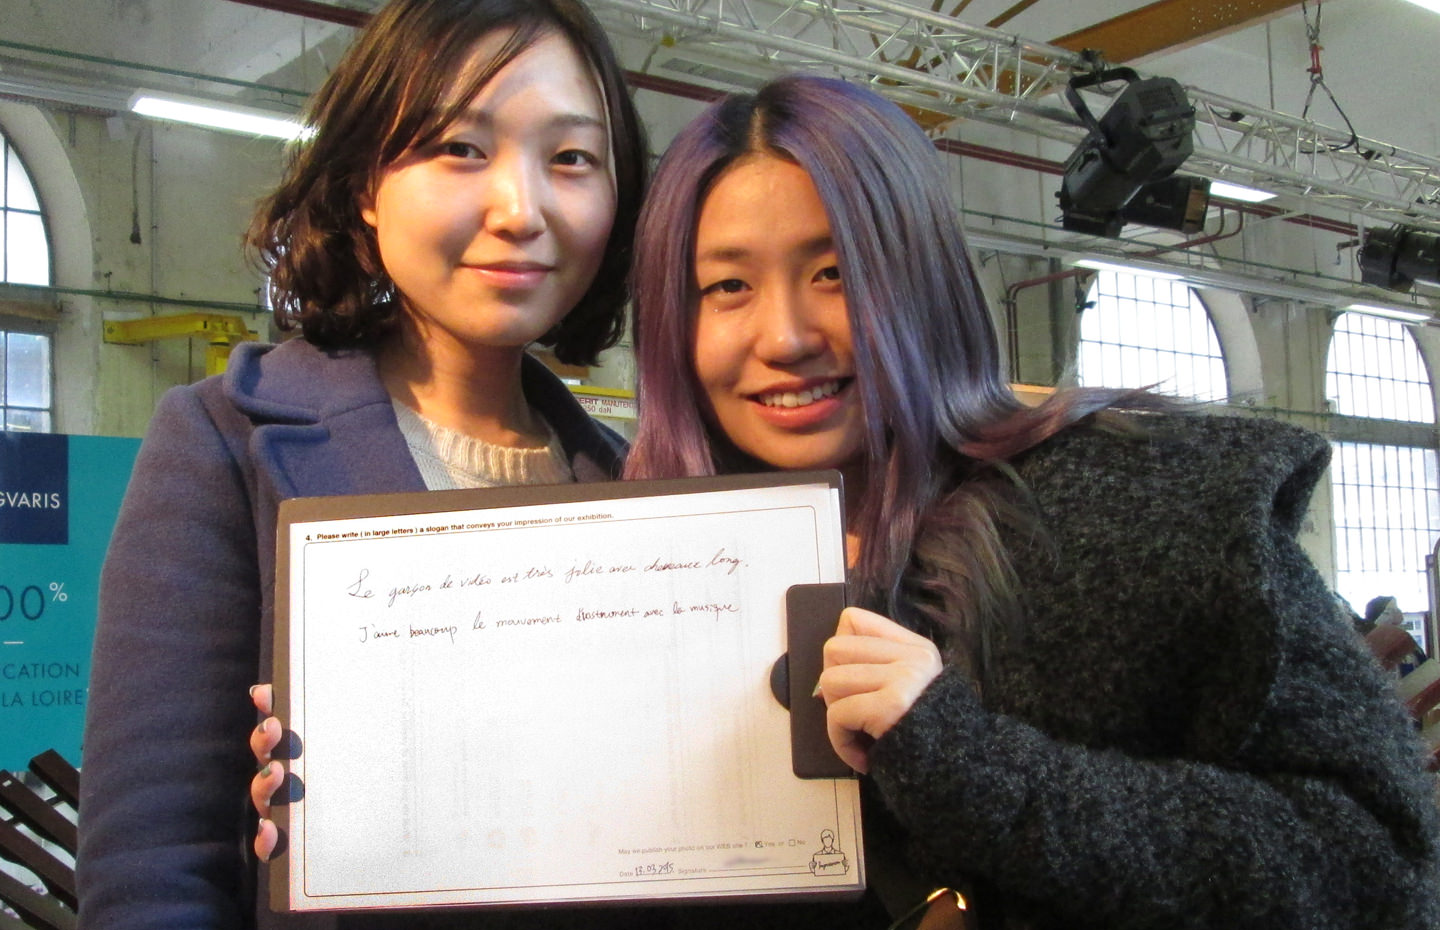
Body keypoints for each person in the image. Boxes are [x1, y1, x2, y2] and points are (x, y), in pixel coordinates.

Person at [252, 74, 1440, 929]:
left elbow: (1383, 867)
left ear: (919, 278)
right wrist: (359, 790)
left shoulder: (1144, 507)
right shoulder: (645, 571)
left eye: (835, 272)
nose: (784, 335)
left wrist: (963, 756)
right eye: (726, 288)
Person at [76, 0, 646, 927]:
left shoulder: (644, 494)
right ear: (366, 185)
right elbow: (152, 870)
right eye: (461, 147)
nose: (521, 208)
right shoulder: (222, 445)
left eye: (573, 157)